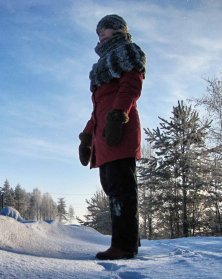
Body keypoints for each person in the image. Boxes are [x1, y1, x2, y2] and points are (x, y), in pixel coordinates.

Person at [78, 14, 146, 260]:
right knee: (112, 187)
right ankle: (129, 240)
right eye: (98, 32)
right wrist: (87, 137)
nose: (100, 34)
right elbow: (98, 108)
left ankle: (124, 246)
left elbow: (131, 88)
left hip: (119, 130)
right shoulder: (101, 67)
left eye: (104, 30)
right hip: (104, 135)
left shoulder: (128, 53)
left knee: (121, 189)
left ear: (118, 31)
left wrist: (118, 115)